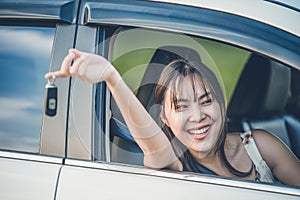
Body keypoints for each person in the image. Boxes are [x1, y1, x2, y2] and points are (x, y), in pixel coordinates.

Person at [45, 48, 300, 187]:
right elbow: (155, 148)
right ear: (164, 118)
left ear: (221, 105)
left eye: (206, 101)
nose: (198, 117)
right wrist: (112, 77)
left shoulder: (259, 145)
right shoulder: (174, 164)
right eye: (181, 107)